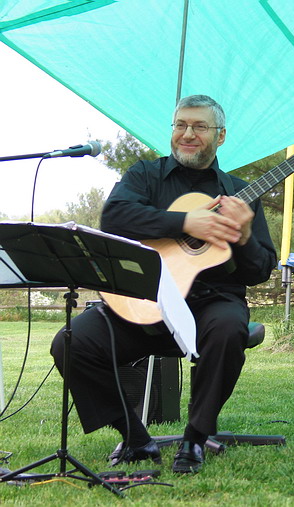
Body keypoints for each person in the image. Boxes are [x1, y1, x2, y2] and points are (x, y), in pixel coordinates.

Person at [50, 94, 277, 474]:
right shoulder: (145, 175)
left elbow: (260, 270)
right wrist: (185, 223)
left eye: (200, 127)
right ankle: (135, 437)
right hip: (142, 297)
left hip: (211, 303)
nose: (187, 134)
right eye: (180, 125)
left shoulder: (239, 194)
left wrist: (244, 236)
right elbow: (115, 217)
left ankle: (195, 439)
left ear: (220, 136)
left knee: (227, 329)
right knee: (71, 342)